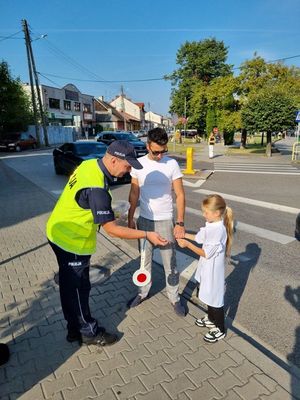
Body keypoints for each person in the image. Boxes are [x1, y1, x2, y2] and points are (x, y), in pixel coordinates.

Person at [47, 140, 168, 346]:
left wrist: (105, 210)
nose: (128, 172)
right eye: (127, 166)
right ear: (113, 160)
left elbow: (84, 200)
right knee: (79, 289)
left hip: (58, 232)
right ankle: (88, 331)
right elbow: (112, 230)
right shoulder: (97, 188)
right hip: (72, 241)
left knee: (68, 287)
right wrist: (147, 235)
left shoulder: (89, 165)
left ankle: (73, 329)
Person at [127, 127, 186, 316]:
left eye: (164, 151)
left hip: (165, 222)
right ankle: (143, 292)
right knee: (144, 262)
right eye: (156, 151)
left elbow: (180, 194)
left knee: (171, 263)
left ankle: (174, 297)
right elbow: (134, 193)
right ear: (148, 146)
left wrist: (180, 222)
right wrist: (130, 218)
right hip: (144, 221)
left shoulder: (172, 165)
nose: (160, 155)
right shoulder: (138, 164)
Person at [177, 194, 233, 342]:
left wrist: (187, 244)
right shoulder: (211, 225)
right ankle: (210, 318)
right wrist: (183, 235)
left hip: (213, 271)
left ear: (216, 213)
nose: (203, 214)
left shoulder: (218, 231)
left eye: (206, 212)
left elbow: (206, 253)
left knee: (215, 300)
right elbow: (199, 238)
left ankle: (220, 328)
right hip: (207, 269)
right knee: (207, 294)